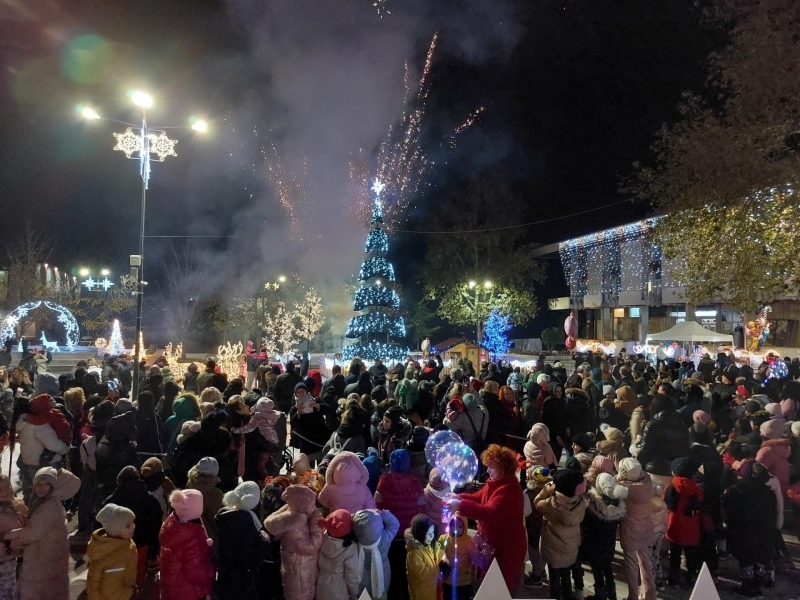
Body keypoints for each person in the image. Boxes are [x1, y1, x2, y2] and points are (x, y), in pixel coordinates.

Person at [445, 444, 527, 593]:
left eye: (492, 467)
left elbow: (489, 512)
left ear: (503, 469)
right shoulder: (495, 483)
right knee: (488, 583)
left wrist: (460, 505)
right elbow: (478, 498)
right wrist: (459, 497)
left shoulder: (508, 489)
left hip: (506, 550)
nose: (488, 470)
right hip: (492, 545)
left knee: (500, 588)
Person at [8, 467, 81, 600]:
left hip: (41, 561)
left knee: (38, 592)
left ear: (53, 486)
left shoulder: (48, 507)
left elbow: (33, 533)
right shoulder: (49, 502)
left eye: (47, 484)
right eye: (39, 484)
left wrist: (13, 540)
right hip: (48, 557)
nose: (42, 488)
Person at [723, 461, 777, 599]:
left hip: (743, 531)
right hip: (763, 532)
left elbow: (730, 511)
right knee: (760, 559)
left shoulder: (738, 489)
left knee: (746, 560)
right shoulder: (769, 492)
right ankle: (757, 588)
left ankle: (747, 589)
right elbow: (773, 514)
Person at [101, 466, 163, 584]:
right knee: (136, 577)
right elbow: (156, 526)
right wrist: (154, 551)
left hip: (117, 545)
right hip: (141, 545)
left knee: (118, 578)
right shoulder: (150, 499)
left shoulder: (111, 501)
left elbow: (100, 523)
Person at [375, 449, 424, 600]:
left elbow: (377, 508)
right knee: (408, 572)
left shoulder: (383, 483)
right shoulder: (416, 484)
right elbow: (422, 510)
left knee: (392, 572)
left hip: (390, 536)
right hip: (409, 537)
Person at [535, 469, 588, 600]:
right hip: (570, 549)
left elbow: (537, 503)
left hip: (553, 550)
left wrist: (545, 491)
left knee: (554, 580)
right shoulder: (581, 502)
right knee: (566, 576)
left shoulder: (551, 503)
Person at [264, 484, 324, 600]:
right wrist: (316, 524)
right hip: (300, 577)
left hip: (299, 570)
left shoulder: (295, 516)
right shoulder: (295, 527)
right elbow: (310, 546)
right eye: (312, 504)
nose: (314, 507)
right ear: (303, 506)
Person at [216, 481, 270, 600]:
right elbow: (250, 553)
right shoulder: (246, 521)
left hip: (225, 573)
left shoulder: (223, 514)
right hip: (242, 577)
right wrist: (264, 540)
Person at [159, 489, 215, 600]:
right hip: (190, 591)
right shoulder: (193, 536)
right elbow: (196, 571)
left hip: (172, 587)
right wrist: (211, 575)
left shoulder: (171, 523)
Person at [582, 473, 628, 600]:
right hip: (609, 545)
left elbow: (586, 522)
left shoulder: (594, 505)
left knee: (597, 571)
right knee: (607, 568)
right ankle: (612, 594)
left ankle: (600, 595)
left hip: (594, 545)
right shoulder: (619, 505)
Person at [617, 457, 656, 600]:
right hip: (646, 527)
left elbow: (614, 493)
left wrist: (618, 478)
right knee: (646, 561)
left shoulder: (625, 488)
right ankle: (650, 594)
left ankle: (633, 595)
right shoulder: (648, 483)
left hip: (630, 530)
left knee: (631, 565)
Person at [664, 457, 703, 586]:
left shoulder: (669, 488)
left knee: (674, 555)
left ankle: (673, 577)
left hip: (674, 527)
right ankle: (691, 577)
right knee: (691, 555)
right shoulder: (697, 490)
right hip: (691, 529)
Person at [88, 503, 137, 600]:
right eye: (128, 526)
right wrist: (130, 593)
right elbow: (112, 591)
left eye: (132, 523)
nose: (133, 527)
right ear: (115, 530)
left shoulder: (118, 543)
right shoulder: (117, 556)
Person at [353, 508, 400, 600]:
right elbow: (395, 524)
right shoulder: (385, 539)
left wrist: (357, 517)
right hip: (381, 581)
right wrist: (383, 514)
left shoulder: (355, 542)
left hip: (361, 584)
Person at [316, 509, 361, 600]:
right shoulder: (350, 548)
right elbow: (351, 575)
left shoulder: (321, 538)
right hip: (340, 590)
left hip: (321, 586)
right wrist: (355, 594)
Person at [95, 411, 141, 494]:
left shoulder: (103, 441)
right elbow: (136, 470)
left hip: (105, 488)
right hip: (123, 490)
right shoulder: (126, 449)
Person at [0, 475, 26, 600]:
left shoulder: (17, 505)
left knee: (13, 590)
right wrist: (7, 543)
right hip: (3, 561)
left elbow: (28, 523)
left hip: (13, 560)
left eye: (7, 486)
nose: (5, 491)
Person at [405, 514, 442, 600]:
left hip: (430, 592)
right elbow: (422, 575)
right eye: (428, 534)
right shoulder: (414, 554)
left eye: (433, 533)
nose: (432, 536)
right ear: (420, 534)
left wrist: (442, 560)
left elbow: (437, 553)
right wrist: (439, 568)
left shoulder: (427, 546)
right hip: (420, 595)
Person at [439, 514, 474, 600]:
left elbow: (474, 557)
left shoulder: (469, 541)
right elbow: (439, 550)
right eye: (453, 525)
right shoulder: (444, 538)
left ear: (465, 527)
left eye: (460, 526)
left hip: (464, 582)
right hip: (448, 581)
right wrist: (443, 558)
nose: (456, 529)